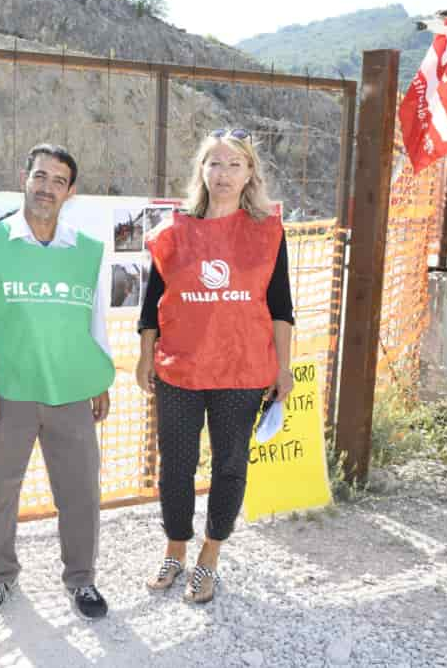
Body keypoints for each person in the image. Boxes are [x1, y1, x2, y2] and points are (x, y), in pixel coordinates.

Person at [136, 128, 294, 604]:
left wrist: (282, 368)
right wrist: (146, 355)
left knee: (229, 467)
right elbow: (151, 304)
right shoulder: (173, 232)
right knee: (176, 467)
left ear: (250, 174)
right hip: (180, 370)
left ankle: (209, 557)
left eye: (234, 165)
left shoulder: (267, 232)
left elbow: (281, 306)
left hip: (242, 372)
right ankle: (175, 550)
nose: (223, 174)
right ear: (201, 171)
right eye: (215, 163)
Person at [0, 144, 115, 619]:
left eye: (58, 181)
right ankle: (0, 575)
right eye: (40, 176)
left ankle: (81, 579)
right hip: (8, 392)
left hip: (69, 390)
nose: (47, 188)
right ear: (24, 178)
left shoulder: (87, 251)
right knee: (1, 491)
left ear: (70, 191)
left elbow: (96, 321)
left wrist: (99, 379)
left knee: (81, 491)